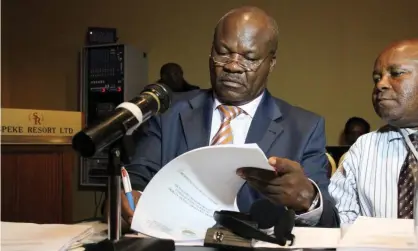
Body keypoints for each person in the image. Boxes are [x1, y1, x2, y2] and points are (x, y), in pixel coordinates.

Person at [112, 6, 339, 228]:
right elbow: (136, 178)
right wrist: (130, 199)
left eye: (249, 58)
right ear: (211, 52)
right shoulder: (168, 113)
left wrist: (308, 199)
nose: (232, 66)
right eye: (223, 52)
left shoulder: (304, 128)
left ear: (271, 64)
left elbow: (329, 220)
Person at [329, 39, 418, 224]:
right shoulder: (363, 148)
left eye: (396, 74)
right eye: (377, 78)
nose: (381, 85)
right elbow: (341, 219)